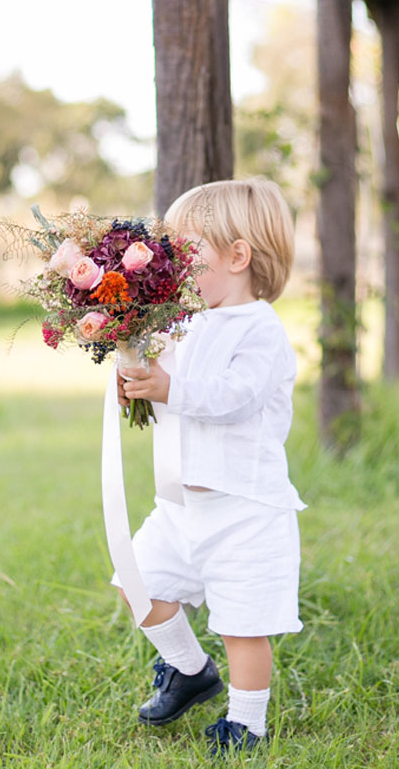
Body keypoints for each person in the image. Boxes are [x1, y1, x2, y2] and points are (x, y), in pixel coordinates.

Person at [114, 177, 305, 756]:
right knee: (135, 582)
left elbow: (234, 397)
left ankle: (247, 723)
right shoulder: (188, 321)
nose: (170, 268)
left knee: (242, 626)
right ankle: (190, 669)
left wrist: (172, 386)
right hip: (180, 505)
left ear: (238, 256)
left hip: (245, 510)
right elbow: (170, 386)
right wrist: (140, 384)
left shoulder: (261, 331)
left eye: (184, 252)